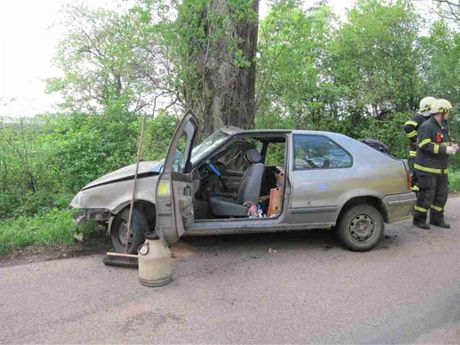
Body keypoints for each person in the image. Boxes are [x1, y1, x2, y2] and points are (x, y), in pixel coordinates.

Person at [413, 99, 458, 229]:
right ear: (442, 111)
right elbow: (424, 144)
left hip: (441, 168)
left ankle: (436, 219)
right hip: (426, 168)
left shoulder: (443, 126)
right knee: (427, 195)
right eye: (447, 111)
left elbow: (442, 142)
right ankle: (419, 219)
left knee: (441, 195)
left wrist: (451, 146)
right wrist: (444, 149)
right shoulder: (427, 126)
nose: (449, 113)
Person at [403, 96, 437, 191]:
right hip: (417, 152)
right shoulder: (419, 117)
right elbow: (408, 127)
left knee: (422, 175)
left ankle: (419, 193)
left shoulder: (429, 119)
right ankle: (413, 195)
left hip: (424, 152)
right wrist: (415, 140)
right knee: (418, 174)